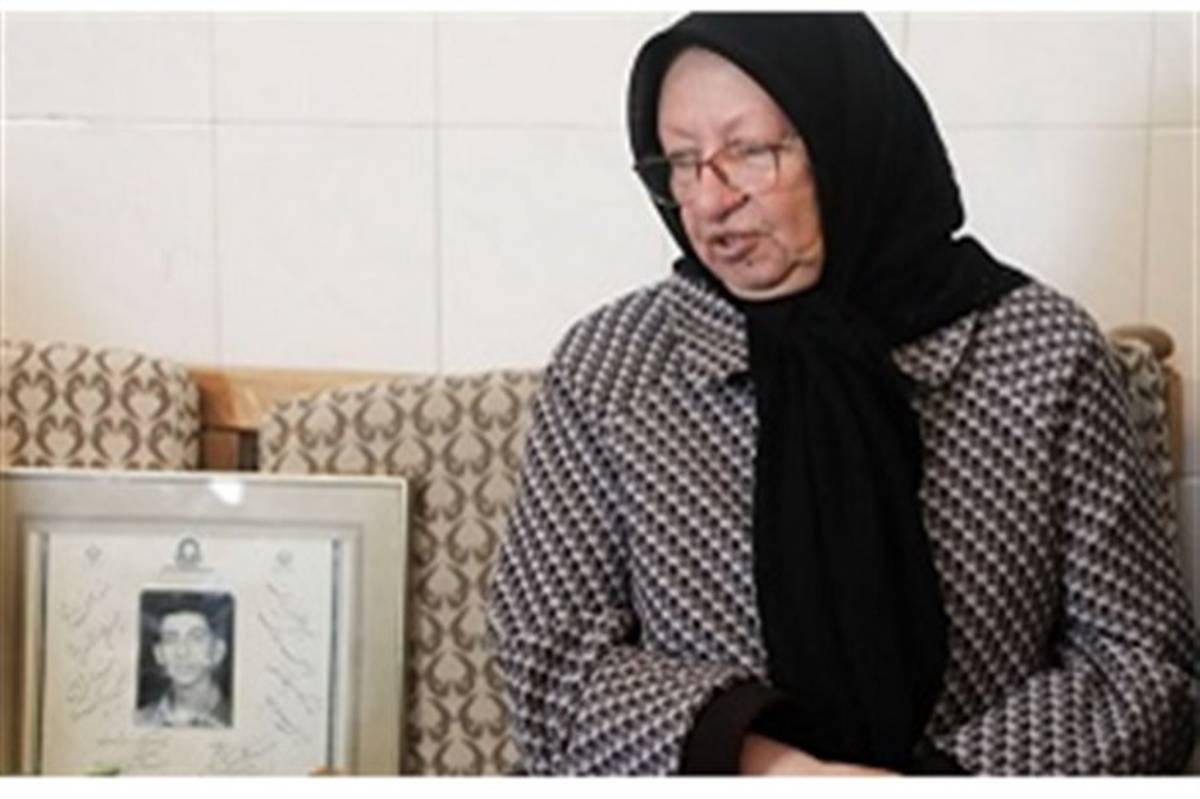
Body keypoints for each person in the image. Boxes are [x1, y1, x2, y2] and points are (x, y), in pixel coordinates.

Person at [487, 12, 1197, 775]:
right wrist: (780, 772)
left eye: (749, 152)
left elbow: (1141, 661)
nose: (709, 200)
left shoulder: (1039, 351)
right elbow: (546, 655)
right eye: (682, 163)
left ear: (846, 140)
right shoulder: (612, 367)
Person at [136, 597, 232, 729]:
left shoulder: (237, 718)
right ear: (159, 654)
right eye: (170, 639)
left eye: (196, 637)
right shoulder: (141, 721)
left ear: (218, 651)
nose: (182, 652)